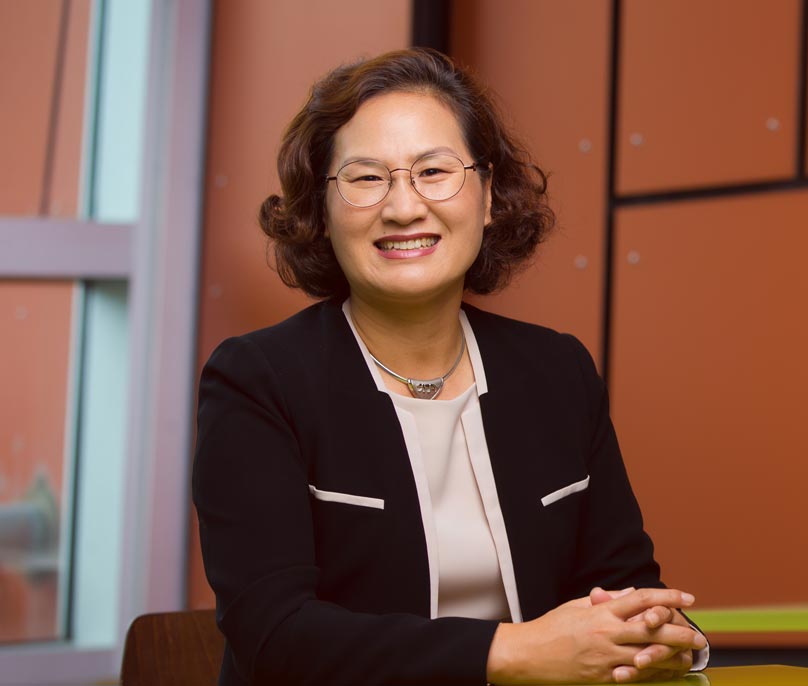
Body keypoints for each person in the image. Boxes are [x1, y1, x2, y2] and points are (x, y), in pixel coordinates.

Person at [191, 47, 706, 685]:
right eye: (365, 177)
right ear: (320, 212)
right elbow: (275, 635)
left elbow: (624, 583)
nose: (404, 207)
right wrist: (514, 653)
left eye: (435, 171)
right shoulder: (258, 380)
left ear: (488, 197)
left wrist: (657, 636)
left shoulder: (556, 371)